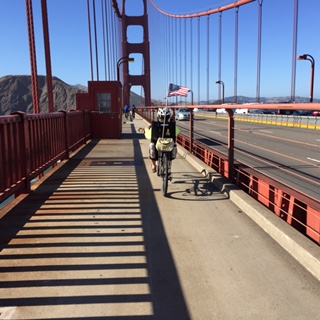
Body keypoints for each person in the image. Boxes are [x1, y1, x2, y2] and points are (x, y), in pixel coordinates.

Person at [144, 107, 180, 172]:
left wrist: (146, 129)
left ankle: (153, 165)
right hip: (169, 145)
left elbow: (148, 136)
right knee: (173, 145)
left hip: (158, 146)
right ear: (169, 117)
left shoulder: (155, 126)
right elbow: (177, 132)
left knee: (152, 144)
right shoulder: (172, 126)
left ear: (159, 117)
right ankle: (168, 166)